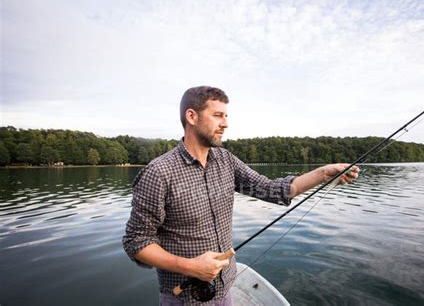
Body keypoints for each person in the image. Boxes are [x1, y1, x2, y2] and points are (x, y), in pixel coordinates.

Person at [122, 86, 359, 305]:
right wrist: (191, 267)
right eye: (218, 115)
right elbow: (136, 242)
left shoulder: (226, 160)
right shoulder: (159, 172)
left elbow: (272, 189)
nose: (225, 124)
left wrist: (323, 173)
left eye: (226, 116)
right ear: (191, 117)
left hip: (226, 289)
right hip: (184, 298)